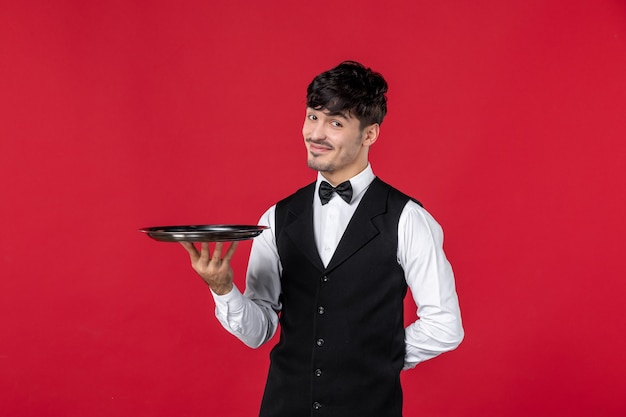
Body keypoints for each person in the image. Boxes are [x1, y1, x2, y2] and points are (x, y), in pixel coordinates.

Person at [180, 61, 464, 417]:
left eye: (335, 123)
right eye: (313, 117)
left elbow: (445, 326)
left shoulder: (408, 219)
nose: (316, 134)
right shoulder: (277, 217)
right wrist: (223, 289)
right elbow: (259, 331)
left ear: (370, 134)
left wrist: (376, 360)